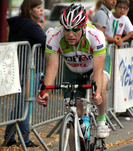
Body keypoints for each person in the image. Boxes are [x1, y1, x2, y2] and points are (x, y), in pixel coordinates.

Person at [36, 3, 110, 142]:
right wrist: (46, 92)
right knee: (74, 115)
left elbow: (98, 71)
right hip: (72, 70)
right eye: (67, 29)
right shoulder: (53, 36)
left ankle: (101, 120)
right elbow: (51, 67)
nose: (70, 34)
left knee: (99, 86)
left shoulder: (96, 36)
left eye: (75, 29)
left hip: (94, 66)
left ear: (83, 27)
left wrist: (97, 92)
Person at [4, 0, 46, 147]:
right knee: (25, 106)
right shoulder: (31, 25)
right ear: (30, 10)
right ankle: (25, 139)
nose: (41, 10)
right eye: (38, 8)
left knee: (20, 105)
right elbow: (46, 42)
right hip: (29, 69)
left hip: (19, 69)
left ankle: (9, 137)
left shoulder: (19, 23)